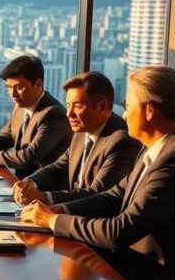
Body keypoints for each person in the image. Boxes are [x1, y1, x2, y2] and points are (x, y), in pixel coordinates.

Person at [20, 65, 175, 280]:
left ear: (148, 110)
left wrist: (54, 222)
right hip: (142, 269)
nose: (124, 115)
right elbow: (114, 196)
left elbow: (119, 231)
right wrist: (57, 210)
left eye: (128, 105)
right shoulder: (164, 147)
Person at [13, 71, 141, 205]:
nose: (69, 114)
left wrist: (45, 197)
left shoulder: (122, 141)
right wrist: (29, 183)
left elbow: (98, 194)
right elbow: (58, 168)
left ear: (102, 106)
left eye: (78, 106)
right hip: (67, 210)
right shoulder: (82, 130)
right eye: (68, 105)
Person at [0, 55, 72, 179]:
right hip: (20, 184)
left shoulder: (53, 114)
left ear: (38, 84)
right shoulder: (20, 107)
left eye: (19, 87)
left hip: (45, 190)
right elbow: (3, 139)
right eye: (9, 88)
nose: (13, 94)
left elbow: (29, 157)